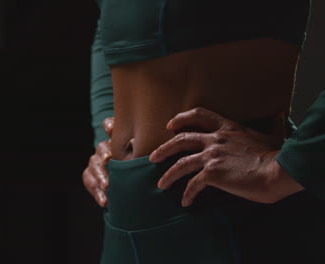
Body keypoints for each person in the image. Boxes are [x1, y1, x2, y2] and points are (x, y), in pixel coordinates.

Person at [82, 0, 325, 263]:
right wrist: (106, 132)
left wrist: (288, 167)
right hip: (124, 210)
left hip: (228, 208)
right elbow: (109, 26)